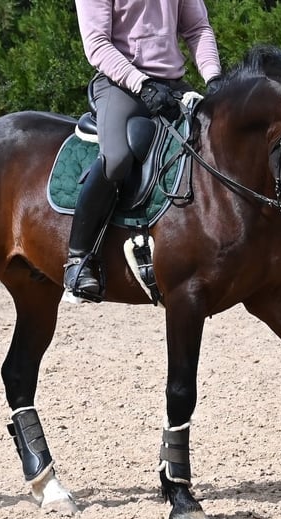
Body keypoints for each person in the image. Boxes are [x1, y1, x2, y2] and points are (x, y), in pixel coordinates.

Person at [65, 0, 223, 302]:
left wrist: (213, 78)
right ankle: (79, 258)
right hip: (119, 85)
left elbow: (197, 28)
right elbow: (97, 44)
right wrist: (142, 83)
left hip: (172, 84)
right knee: (117, 159)